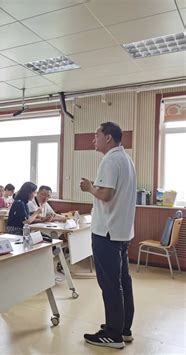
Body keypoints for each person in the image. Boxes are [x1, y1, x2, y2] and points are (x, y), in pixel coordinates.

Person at [80, 122, 136, 349]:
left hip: (107, 233)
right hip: (121, 232)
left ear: (109, 138)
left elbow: (105, 194)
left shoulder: (110, 160)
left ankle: (113, 334)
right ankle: (123, 329)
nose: (93, 139)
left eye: (96, 135)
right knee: (123, 281)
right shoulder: (126, 159)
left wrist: (89, 187)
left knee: (111, 284)